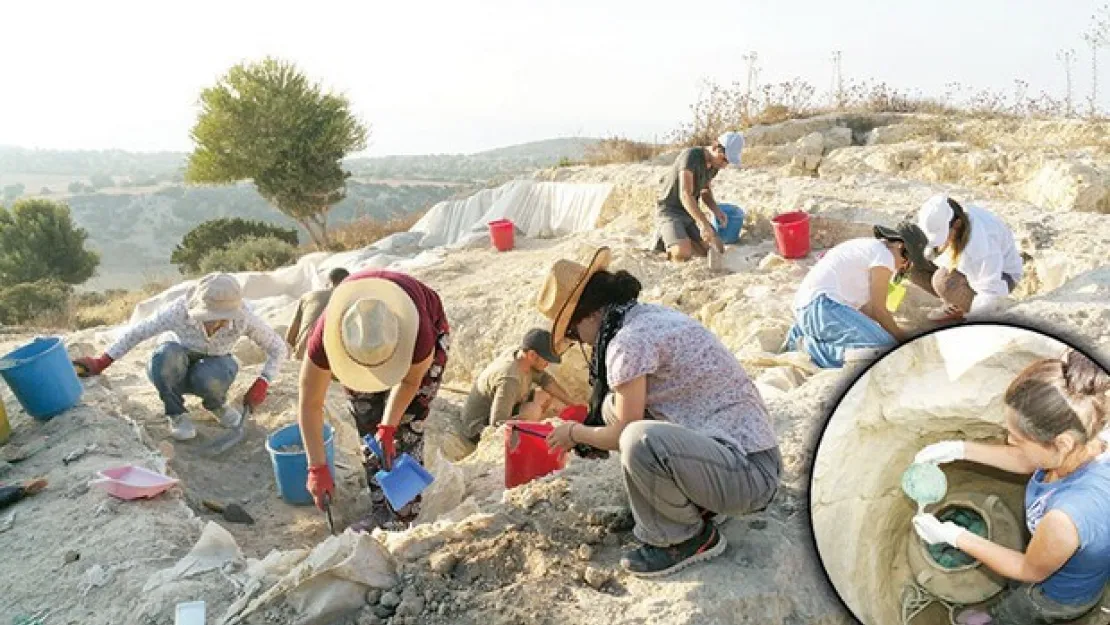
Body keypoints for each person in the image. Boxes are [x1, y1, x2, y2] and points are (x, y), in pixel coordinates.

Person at [536, 246, 781, 577]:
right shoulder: (647, 317)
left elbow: (623, 432)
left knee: (638, 438)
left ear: (591, 315)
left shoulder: (628, 342)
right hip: (743, 457)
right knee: (614, 407)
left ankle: (684, 538)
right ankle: (693, 505)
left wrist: (573, 433)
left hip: (750, 477)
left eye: (571, 331)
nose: (578, 341)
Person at [912, 349, 1110, 625]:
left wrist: (956, 537)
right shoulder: (1084, 434)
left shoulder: (1067, 517)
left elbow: (1028, 569)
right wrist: (958, 449)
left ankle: (999, 619)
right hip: (1053, 559)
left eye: (1018, 438)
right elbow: (1029, 460)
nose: (1008, 441)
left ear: (1061, 443)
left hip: (1055, 596)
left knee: (1019, 611)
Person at [297, 269, 449, 531]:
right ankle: (380, 508)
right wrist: (316, 467)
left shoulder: (420, 333)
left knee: (407, 426)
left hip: (417, 336)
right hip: (361, 345)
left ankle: (402, 516)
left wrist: (389, 426)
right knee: (368, 425)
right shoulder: (326, 336)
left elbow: (411, 382)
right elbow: (309, 401)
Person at [73, 273, 287, 440]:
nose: (214, 323)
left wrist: (264, 380)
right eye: (209, 316)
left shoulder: (245, 318)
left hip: (215, 362)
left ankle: (216, 405)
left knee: (211, 376)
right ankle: (176, 413)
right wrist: (103, 360)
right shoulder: (179, 311)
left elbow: (278, 348)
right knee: (165, 358)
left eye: (221, 318)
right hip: (177, 360)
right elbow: (138, 332)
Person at [783, 226, 913, 368]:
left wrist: (894, 332)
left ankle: (801, 335)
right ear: (900, 245)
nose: (901, 268)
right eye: (906, 262)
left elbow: (867, 310)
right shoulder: (884, 255)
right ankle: (810, 349)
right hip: (822, 306)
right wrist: (902, 341)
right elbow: (879, 311)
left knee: (883, 343)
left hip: (808, 310)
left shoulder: (867, 248)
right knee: (883, 352)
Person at [459, 328, 577, 446]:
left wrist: (572, 403)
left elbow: (545, 380)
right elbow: (498, 424)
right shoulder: (510, 380)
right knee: (533, 410)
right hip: (478, 429)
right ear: (532, 355)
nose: (548, 364)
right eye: (546, 360)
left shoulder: (521, 355)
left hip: (503, 406)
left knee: (544, 396)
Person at [915, 194, 1023, 322]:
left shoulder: (980, 246)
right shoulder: (955, 213)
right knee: (913, 266)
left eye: (942, 236)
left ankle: (961, 309)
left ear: (957, 224)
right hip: (967, 264)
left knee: (943, 282)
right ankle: (954, 302)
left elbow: (991, 292)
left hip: (1002, 276)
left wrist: (973, 320)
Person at [653, 131, 744, 262]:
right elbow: (685, 194)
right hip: (669, 211)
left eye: (728, 162)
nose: (724, 165)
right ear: (714, 146)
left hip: (689, 213)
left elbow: (705, 191)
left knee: (716, 249)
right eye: (724, 159)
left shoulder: (714, 165)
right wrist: (704, 224)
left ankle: (676, 237)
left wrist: (716, 211)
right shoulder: (691, 156)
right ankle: (664, 238)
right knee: (683, 254)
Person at [285, 267, 350, 361]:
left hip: (302, 354)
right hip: (329, 358)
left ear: (329, 281)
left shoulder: (308, 296)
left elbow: (291, 335)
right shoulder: (348, 298)